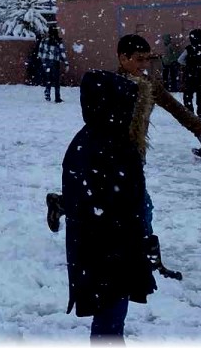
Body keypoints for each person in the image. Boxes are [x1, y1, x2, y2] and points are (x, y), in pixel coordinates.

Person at [45, 34, 201, 234]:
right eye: (139, 59)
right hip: (110, 155)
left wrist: (200, 130)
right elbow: (95, 120)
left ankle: (63, 204)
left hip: (132, 154)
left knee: (109, 199)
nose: (144, 64)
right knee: (138, 206)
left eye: (147, 59)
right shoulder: (110, 84)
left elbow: (175, 107)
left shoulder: (149, 84)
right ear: (122, 58)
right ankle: (147, 255)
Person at [61, 69, 159, 342]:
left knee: (109, 320)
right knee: (109, 323)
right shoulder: (111, 145)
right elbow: (122, 204)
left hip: (98, 252)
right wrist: (138, 239)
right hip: (110, 253)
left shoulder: (90, 140)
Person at [178, 28, 201, 117]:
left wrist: (188, 64)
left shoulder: (189, 49)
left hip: (190, 75)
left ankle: (189, 113)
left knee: (188, 96)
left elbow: (180, 60)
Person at [38, 25, 69, 103]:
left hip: (46, 62)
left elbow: (40, 52)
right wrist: (66, 63)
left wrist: (43, 61)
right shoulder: (58, 42)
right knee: (56, 80)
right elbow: (62, 53)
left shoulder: (44, 40)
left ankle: (47, 93)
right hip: (55, 62)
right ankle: (57, 97)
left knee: (48, 79)